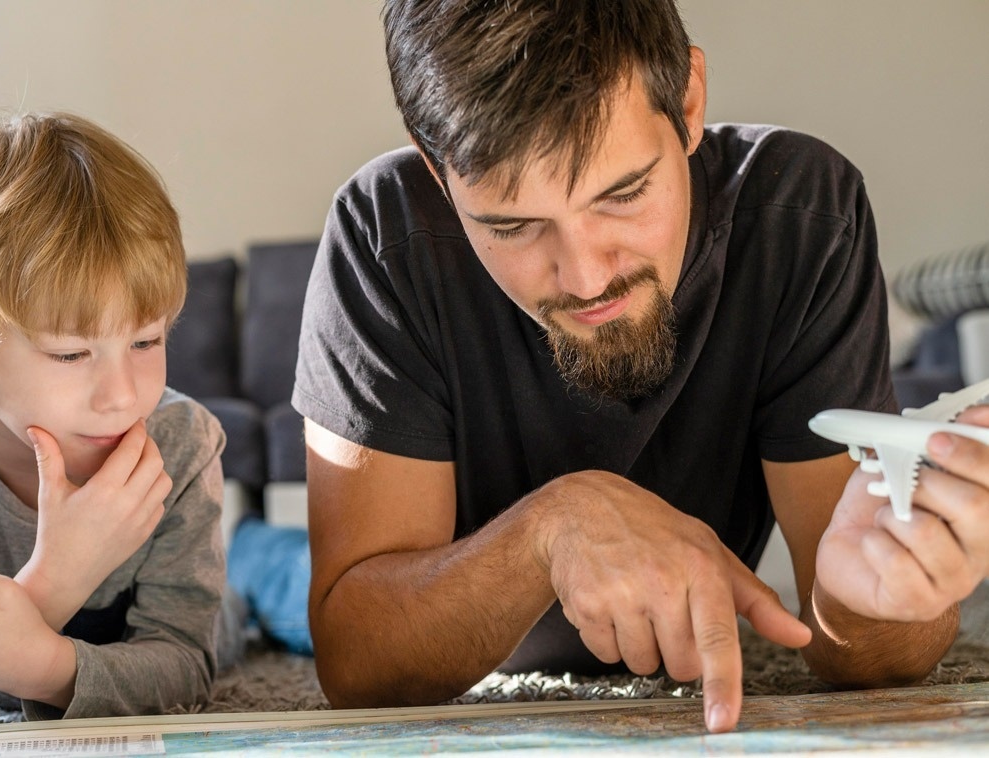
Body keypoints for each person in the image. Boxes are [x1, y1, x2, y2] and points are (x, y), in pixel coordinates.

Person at [292, 0, 979, 734]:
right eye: (512, 225)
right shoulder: (382, 232)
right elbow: (356, 660)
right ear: (436, 169)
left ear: (688, 102)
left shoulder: (802, 213)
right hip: (417, 577)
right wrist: (553, 529)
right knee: (272, 581)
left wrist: (879, 601)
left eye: (622, 195)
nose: (586, 279)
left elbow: (862, 647)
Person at [0, 111, 242, 730]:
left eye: (146, 341)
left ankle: (258, 555)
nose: (122, 398)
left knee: (266, 600)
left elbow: (186, 668)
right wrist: (58, 579)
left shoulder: (183, 440)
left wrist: (40, 667)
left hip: (228, 605)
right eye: (70, 354)